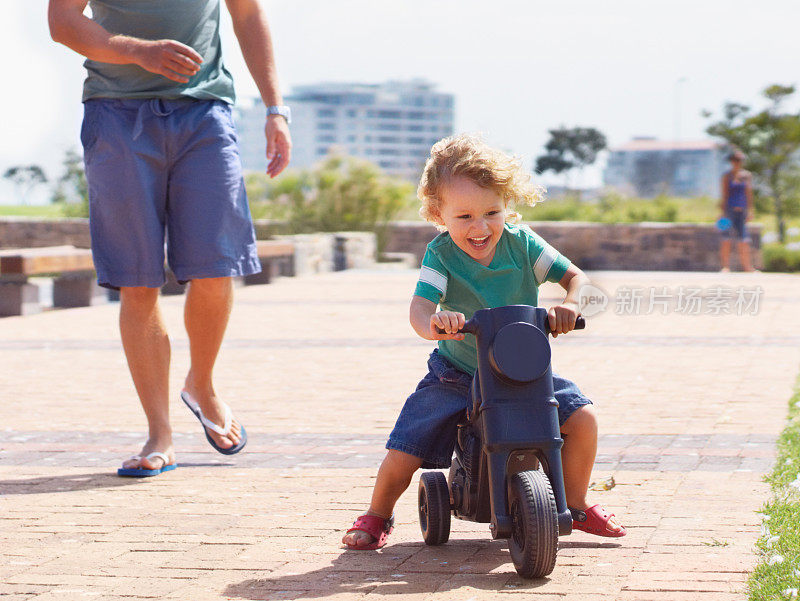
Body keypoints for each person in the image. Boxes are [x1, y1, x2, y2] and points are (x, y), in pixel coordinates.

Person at [342, 135, 625, 550]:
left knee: (582, 419)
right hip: (458, 373)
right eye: (465, 216)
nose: (481, 227)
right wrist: (436, 322)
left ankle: (576, 504)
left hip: (523, 370)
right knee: (407, 444)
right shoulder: (441, 255)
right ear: (440, 214)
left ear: (507, 205)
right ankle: (377, 514)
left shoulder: (522, 244)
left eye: (492, 212)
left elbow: (576, 278)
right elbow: (419, 310)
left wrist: (567, 303)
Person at [48, 0, 291, 476]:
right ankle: (159, 433)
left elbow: (247, 14)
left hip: (204, 112)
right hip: (115, 114)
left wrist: (275, 108)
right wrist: (138, 51)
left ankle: (201, 384)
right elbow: (62, 21)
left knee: (218, 266)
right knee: (137, 281)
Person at [719, 150, 755, 272]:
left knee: (744, 239)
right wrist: (722, 213)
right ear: (731, 161)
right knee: (726, 238)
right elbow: (724, 195)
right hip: (729, 210)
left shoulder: (747, 175)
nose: (737, 163)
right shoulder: (726, 176)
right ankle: (725, 267)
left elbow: (749, 194)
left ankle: (747, 267)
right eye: (735, 160)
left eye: (739, 160)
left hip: (742, 211)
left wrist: (750, 211)